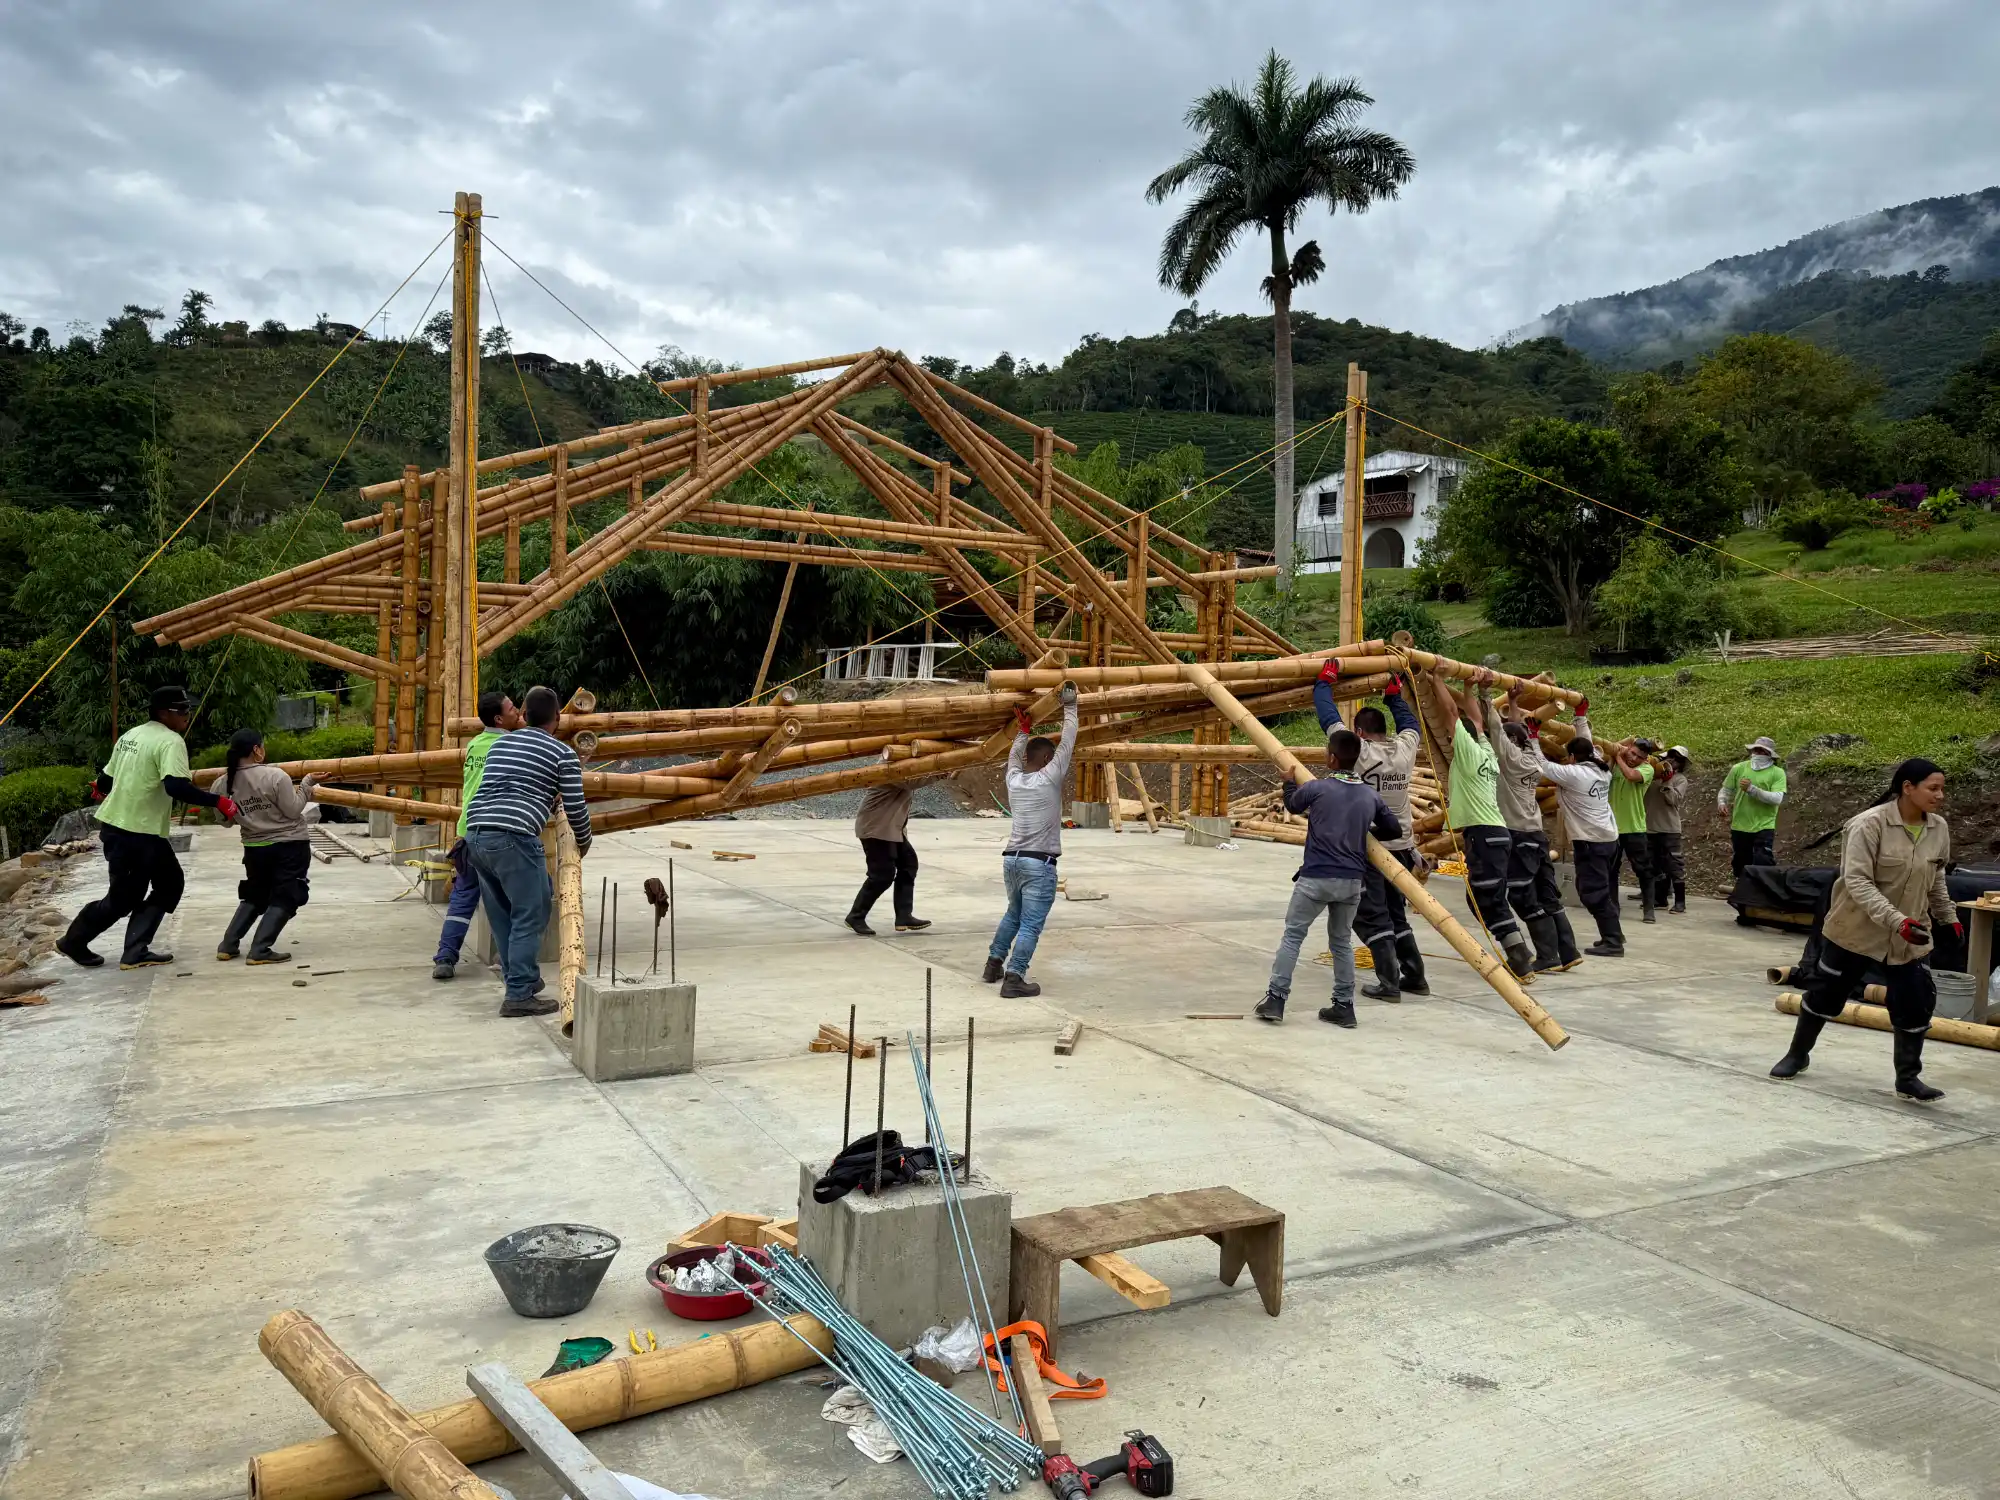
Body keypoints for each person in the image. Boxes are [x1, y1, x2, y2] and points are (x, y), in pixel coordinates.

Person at [1770, 758, 1957, 1102]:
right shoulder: (1868, 825)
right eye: (1933, 788)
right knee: (1826, 994)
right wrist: (1897, 921)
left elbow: (1937, 878)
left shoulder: (1938, 828)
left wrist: (1949, 917)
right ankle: (1797, 1054)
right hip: (1857, 930)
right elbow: (1856, 880)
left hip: (1909, 937)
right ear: (1907, 788)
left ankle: (1908, 1078)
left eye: (1942, 788)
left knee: (1916, 1003)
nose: (1940, 795)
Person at [59, 686, 236, 971]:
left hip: (123, 828)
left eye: (188, 710)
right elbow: (176, 786)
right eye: (182, 711)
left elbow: (105, 779)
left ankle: (129, 949)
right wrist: (219, 801)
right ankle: (81, 942)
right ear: (164, 713)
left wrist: (100, 789)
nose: (187, 716)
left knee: (160, 886)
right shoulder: (171, 741)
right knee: (127, 897)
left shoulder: (131, 735)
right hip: (137, 832)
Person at [1254, 728, 1401, 1028]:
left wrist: (1287, 782)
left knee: (1293, 936)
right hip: (1351, 882)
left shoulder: (1318, 789)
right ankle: (1344, 1006)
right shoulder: (1370, 795)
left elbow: (1293, 804)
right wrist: (1365, 834)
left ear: (1332, 759)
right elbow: (1393, 830)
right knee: (1341, 942)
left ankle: (1276, 999)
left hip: (1316, 878)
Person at [461, 685, 593, 1017]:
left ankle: (523, 979)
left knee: (507, 912)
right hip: (513, 838)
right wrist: (585, 841)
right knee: (530, 913)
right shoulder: (562, 754)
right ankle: (518, 994)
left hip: (475, 836)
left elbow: (513, 784)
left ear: (525, 716)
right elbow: (576, 808)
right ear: (558, 718)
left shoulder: (501, 744)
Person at [1318, 659, 1428, 1000]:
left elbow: (1326, 716)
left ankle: (1389, 983)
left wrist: (1325, 683)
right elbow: (1410, 722)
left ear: (1360, 733)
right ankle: (1415, 978)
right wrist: (1395, 696)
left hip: (1370, 846)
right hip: (1402, 844)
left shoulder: (1360, 751)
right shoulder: (1405, 749)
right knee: (1396, 913)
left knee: (1371, 914)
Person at [1428, 667, 1536, 977]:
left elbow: (1451, 711)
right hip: (1497, 834)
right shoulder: (1485, 750)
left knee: (1487, 898)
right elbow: (1474, 719)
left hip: (1484, 835)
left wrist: (1436, 678)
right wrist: (1467, 685)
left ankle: (1519, 954)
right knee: (1479, 897)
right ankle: (1517, 949)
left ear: (1457, 735)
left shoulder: (1465, 750)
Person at [984, 682, 1077, 999]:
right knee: (1030, 924)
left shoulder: (1014, 778)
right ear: (1048, 758)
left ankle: (993, 964)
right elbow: (1069, 741)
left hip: (1012, 859)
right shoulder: (1050, 776)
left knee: (1014, 914)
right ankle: (1014, 978)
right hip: (1038, 863)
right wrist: (1071, 705)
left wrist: (1022, 730)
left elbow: (1014, 754)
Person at [1487, 685, 1580, 973]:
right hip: (1537, 834)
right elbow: (1521, 732)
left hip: (1518, 834)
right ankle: (1568, 952)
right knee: (1547, 896)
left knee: (1522, 896)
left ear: (1510, 742)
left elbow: (1495, 728)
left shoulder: (1511, 759)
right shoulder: (1531, 757)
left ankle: (1547, 955)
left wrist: (1484, 695)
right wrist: (1514, 702)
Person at [433, 690, 524, 980]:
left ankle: (445, 957)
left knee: (463, 897)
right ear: (499, 718)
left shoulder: (475, 744)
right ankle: (506, 959)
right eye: (512, 709)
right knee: (511, 897)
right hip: (496, 833)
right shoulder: (510, 744)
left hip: (467, 832)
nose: (518, 712)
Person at [216, 729, 318, 964]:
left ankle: (228, 945)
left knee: (256, 894)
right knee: (288, 894)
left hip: (254, 848)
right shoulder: (275, 776)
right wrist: (307, 783)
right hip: (289, 845)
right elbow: (293, 811)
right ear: (256, 750)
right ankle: (260, 949)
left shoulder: (221, 783)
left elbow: (225, 821)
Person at [1535, 699, 1624, 957]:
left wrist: (1532, 736)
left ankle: (1613, 941)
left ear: (1573, 757)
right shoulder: (1601, 769)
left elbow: (1542, 764)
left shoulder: (1574, 774)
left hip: (1591, 842)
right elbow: (1587, 740)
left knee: (1592, 893)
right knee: (1602, 889)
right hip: (1609, 839)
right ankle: (1614, 933)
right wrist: (1580, 715)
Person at [845, 754, 938, 937]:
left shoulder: (903, 763)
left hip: (892, 830)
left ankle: (904, 916)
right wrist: (942, 771)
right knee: (882, 875)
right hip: (876, 828)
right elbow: (911, 783)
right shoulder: (888, 767)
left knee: (909, 865)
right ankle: (855, 916)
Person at [1719, 735, 1786, 877]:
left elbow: (1777, 798)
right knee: (1741, 861)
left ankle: (1765, 891)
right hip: (1740, 824)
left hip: (1764, 824)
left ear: (1770, 755)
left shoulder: (1777, 773)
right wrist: (1722, 802)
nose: (1758, 754)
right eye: (1756, 750)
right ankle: (1743, 889)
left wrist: (1752, 790)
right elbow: (1726, 789)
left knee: (1763, 859)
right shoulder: (1738, 768)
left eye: (1763, 751)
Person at [1608, 738, 1657, 925]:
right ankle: (1613, 908)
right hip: (1611, 828)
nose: (1634, 758)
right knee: (1611, 870)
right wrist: (1614, 755)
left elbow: (1631, 776)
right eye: (1632, 752)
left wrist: (1619, 757)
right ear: (1628, 748)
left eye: (1639, 757)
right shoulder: (1615, 764)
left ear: (1645, 759)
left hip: (1634, 828)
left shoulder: (1647, 769)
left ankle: (1649, 909)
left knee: (1643, 869)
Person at [1645, 747, 1691, 914]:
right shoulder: (1651, 777)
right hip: (1649, 827)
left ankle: (1680, 902)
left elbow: (1673, 800)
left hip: (1669, 828)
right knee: (1654, 865)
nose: (1672, 761)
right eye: (1670, 757)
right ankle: (1660, 899)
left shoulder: (1680, 780)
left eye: (1677, 759)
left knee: (1674, 865)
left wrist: (1667, 782)